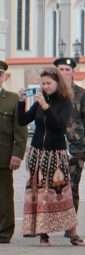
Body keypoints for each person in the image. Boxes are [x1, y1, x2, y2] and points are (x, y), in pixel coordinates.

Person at [16, 68, 85, 247]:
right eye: (43, 84)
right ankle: (43, 234)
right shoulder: (40, 101)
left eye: (49, 83)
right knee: (39, 193)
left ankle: (72, 233)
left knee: (62, 193)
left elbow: (59, 126)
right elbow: (23, 120)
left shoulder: (65, 102)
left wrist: (46, 107)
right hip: (37, 153)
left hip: (56, 154)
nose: (45, 87)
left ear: (58, 84)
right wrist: (21, 102)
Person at [54, 56, 85, 217]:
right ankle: (50, 221)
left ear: (73, 72)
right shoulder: (50, 92)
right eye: (61, 69)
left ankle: (70, 222)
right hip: (54, 146)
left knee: (72, 186)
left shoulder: (81, 94)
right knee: (51, 187)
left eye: (67, 69)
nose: (64, 72)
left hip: (76, 148)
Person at [0, 60, 27, 244]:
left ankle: (4, 230)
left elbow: (21, 130)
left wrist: (17, 154)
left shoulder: (12, 100)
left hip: (3, 155)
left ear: (4, 77)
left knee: (4, 195)